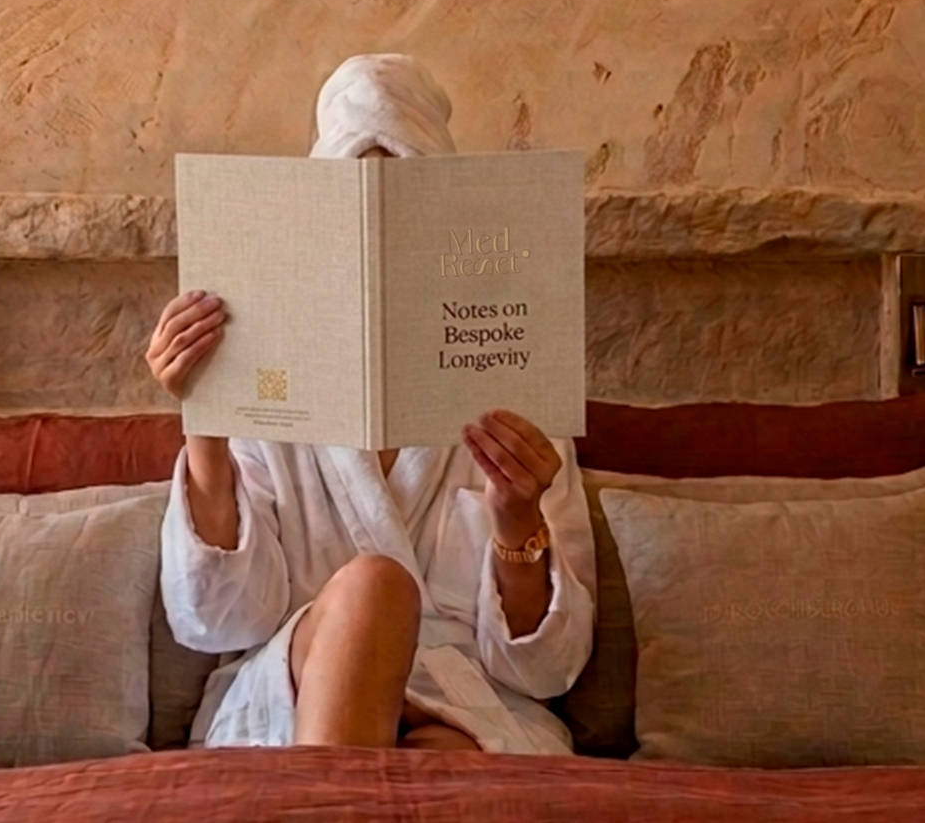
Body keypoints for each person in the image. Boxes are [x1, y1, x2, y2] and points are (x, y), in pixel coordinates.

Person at [143, 54, 597, 753]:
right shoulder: (273, 386)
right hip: (296, 691)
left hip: (463, 703)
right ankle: (338, 815)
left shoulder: (518, 399)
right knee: (374, 589)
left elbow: (545, 670)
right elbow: (217, 622)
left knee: (444, 757)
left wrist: (518, 523)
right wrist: (207, 420)